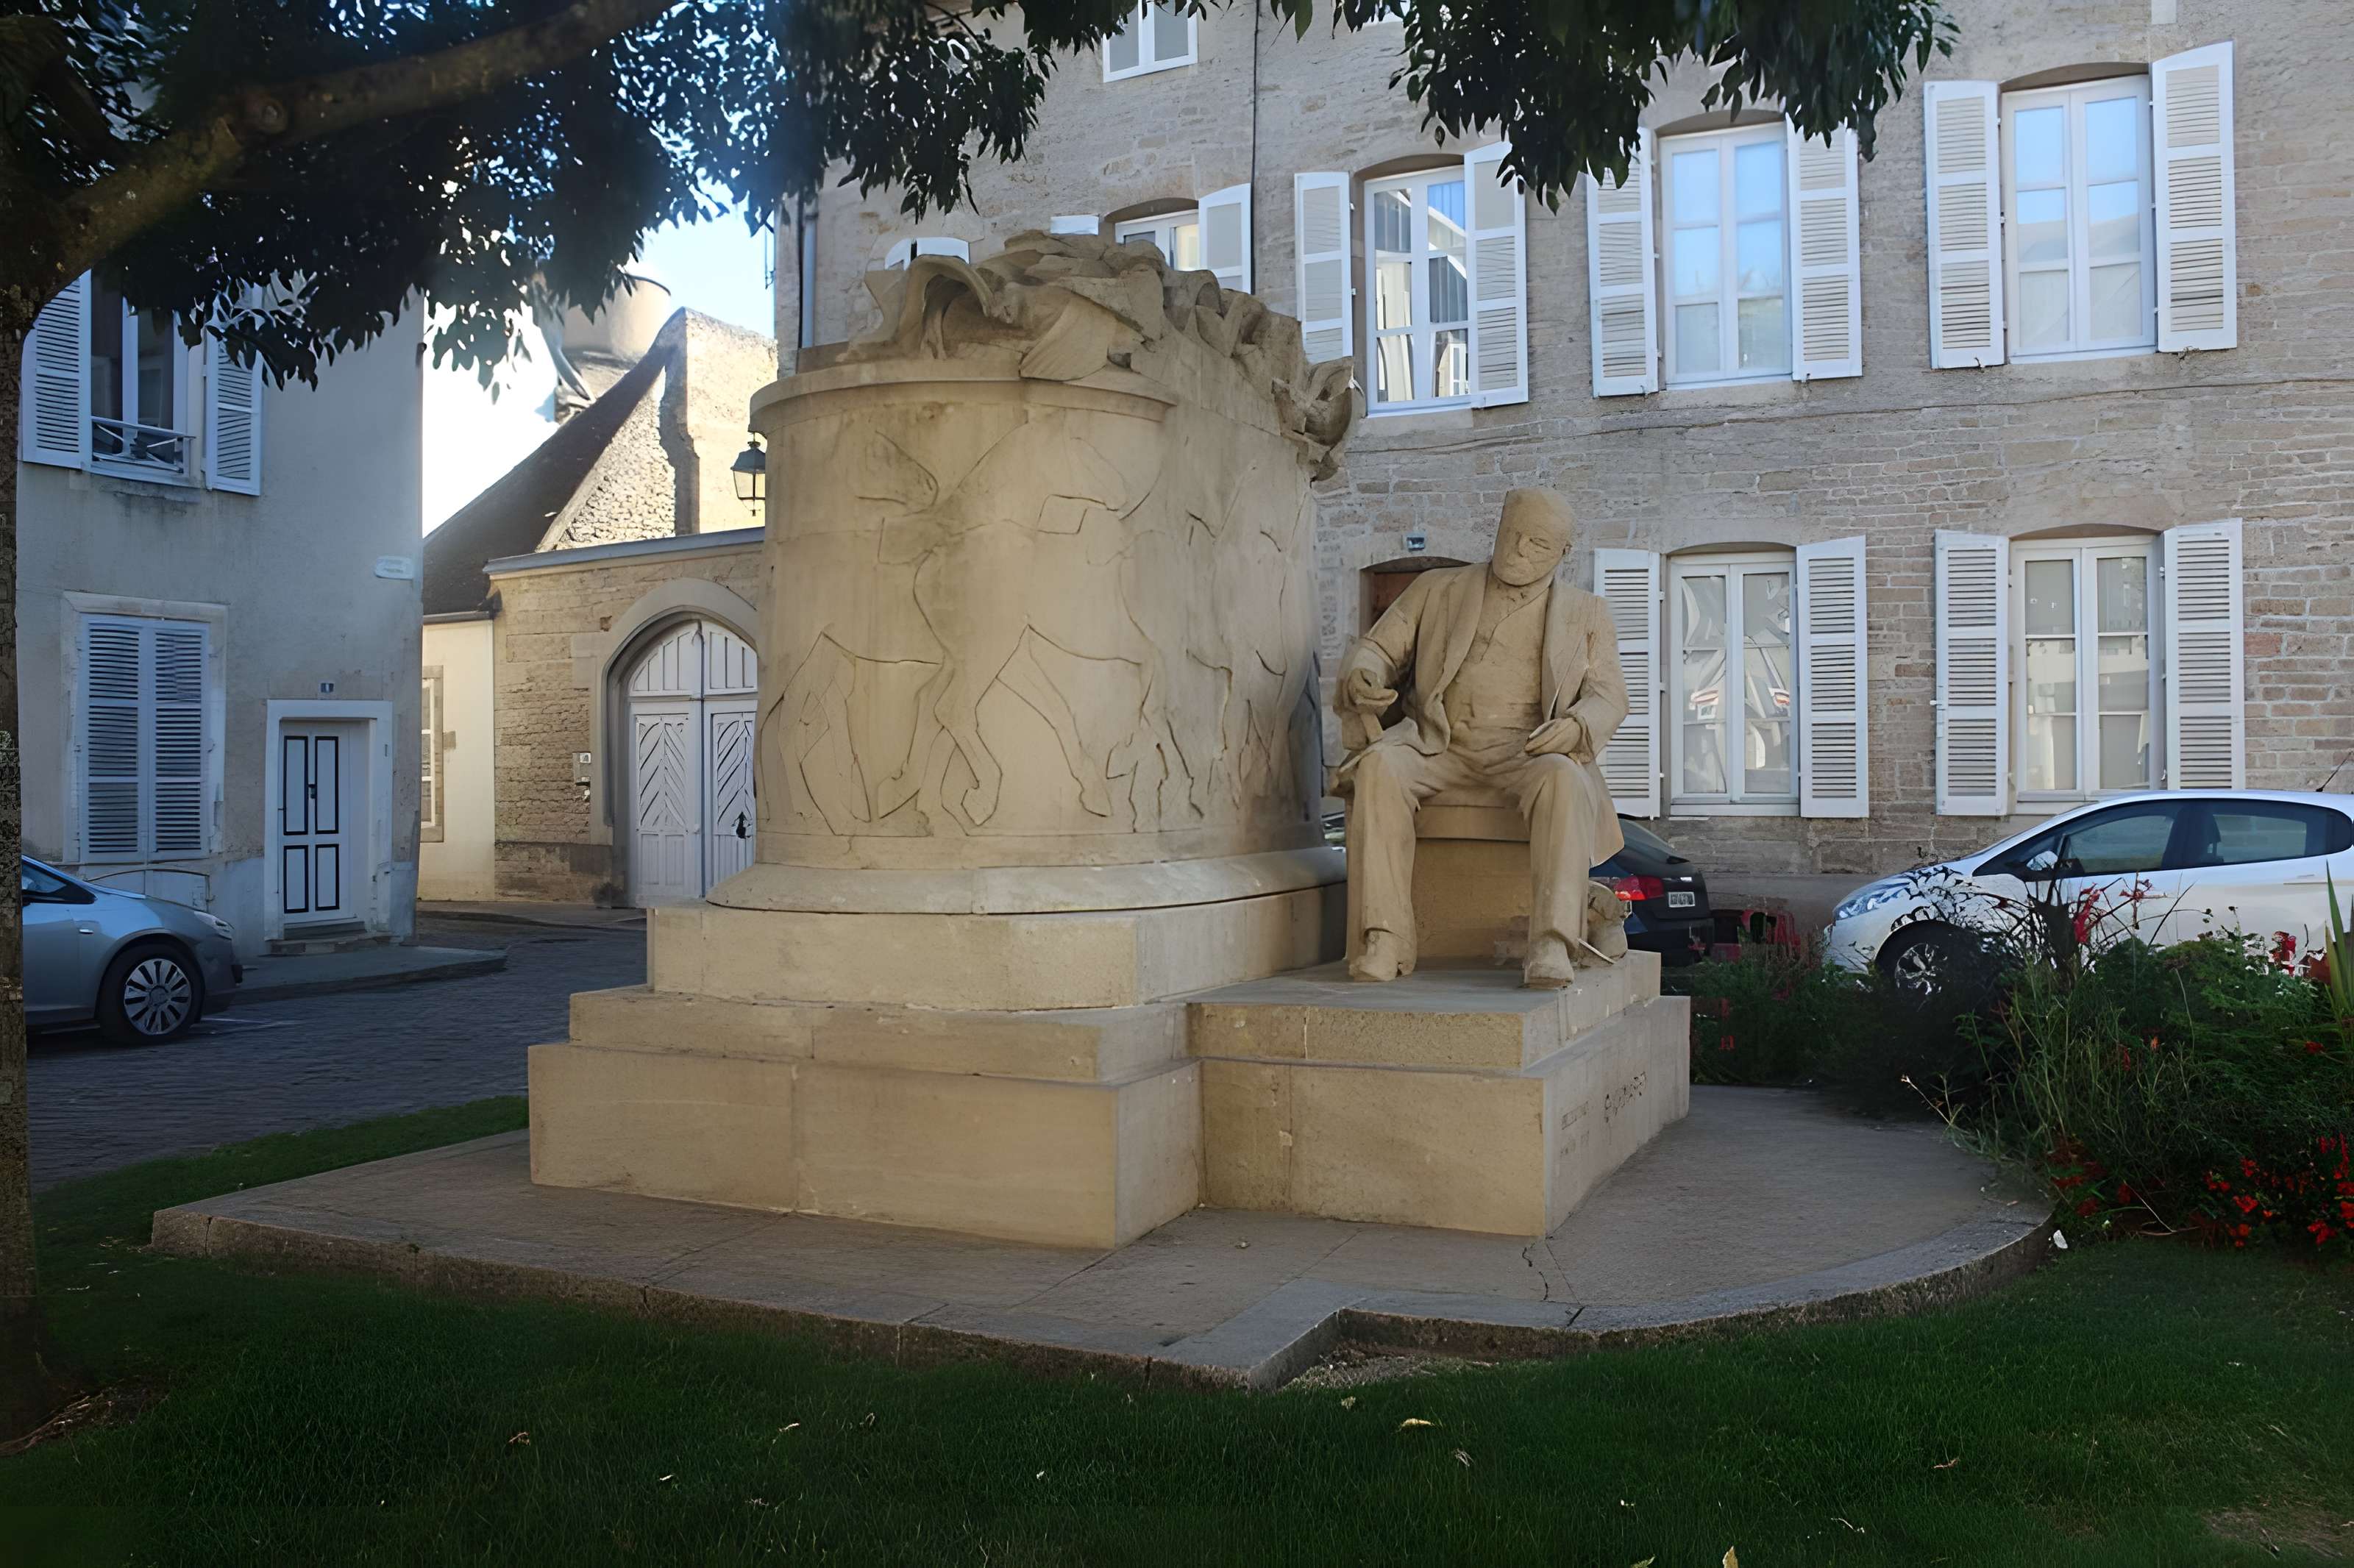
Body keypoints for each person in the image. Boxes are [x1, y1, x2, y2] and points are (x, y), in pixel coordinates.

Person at [1332, 488, 1627, 986]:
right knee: (1379, 767)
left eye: (1536, 544)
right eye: (1510, 536)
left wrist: (1575, 727)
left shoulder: (1586, 613)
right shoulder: (1437, 588)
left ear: (1562, 554)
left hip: (1527, 749)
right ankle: (1383, 936)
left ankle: (1552, 941)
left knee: (1564, 779)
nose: (1517, 551)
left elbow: (1609, 697)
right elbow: (1378, 648)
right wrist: (1364, 673)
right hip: (1439, 742)